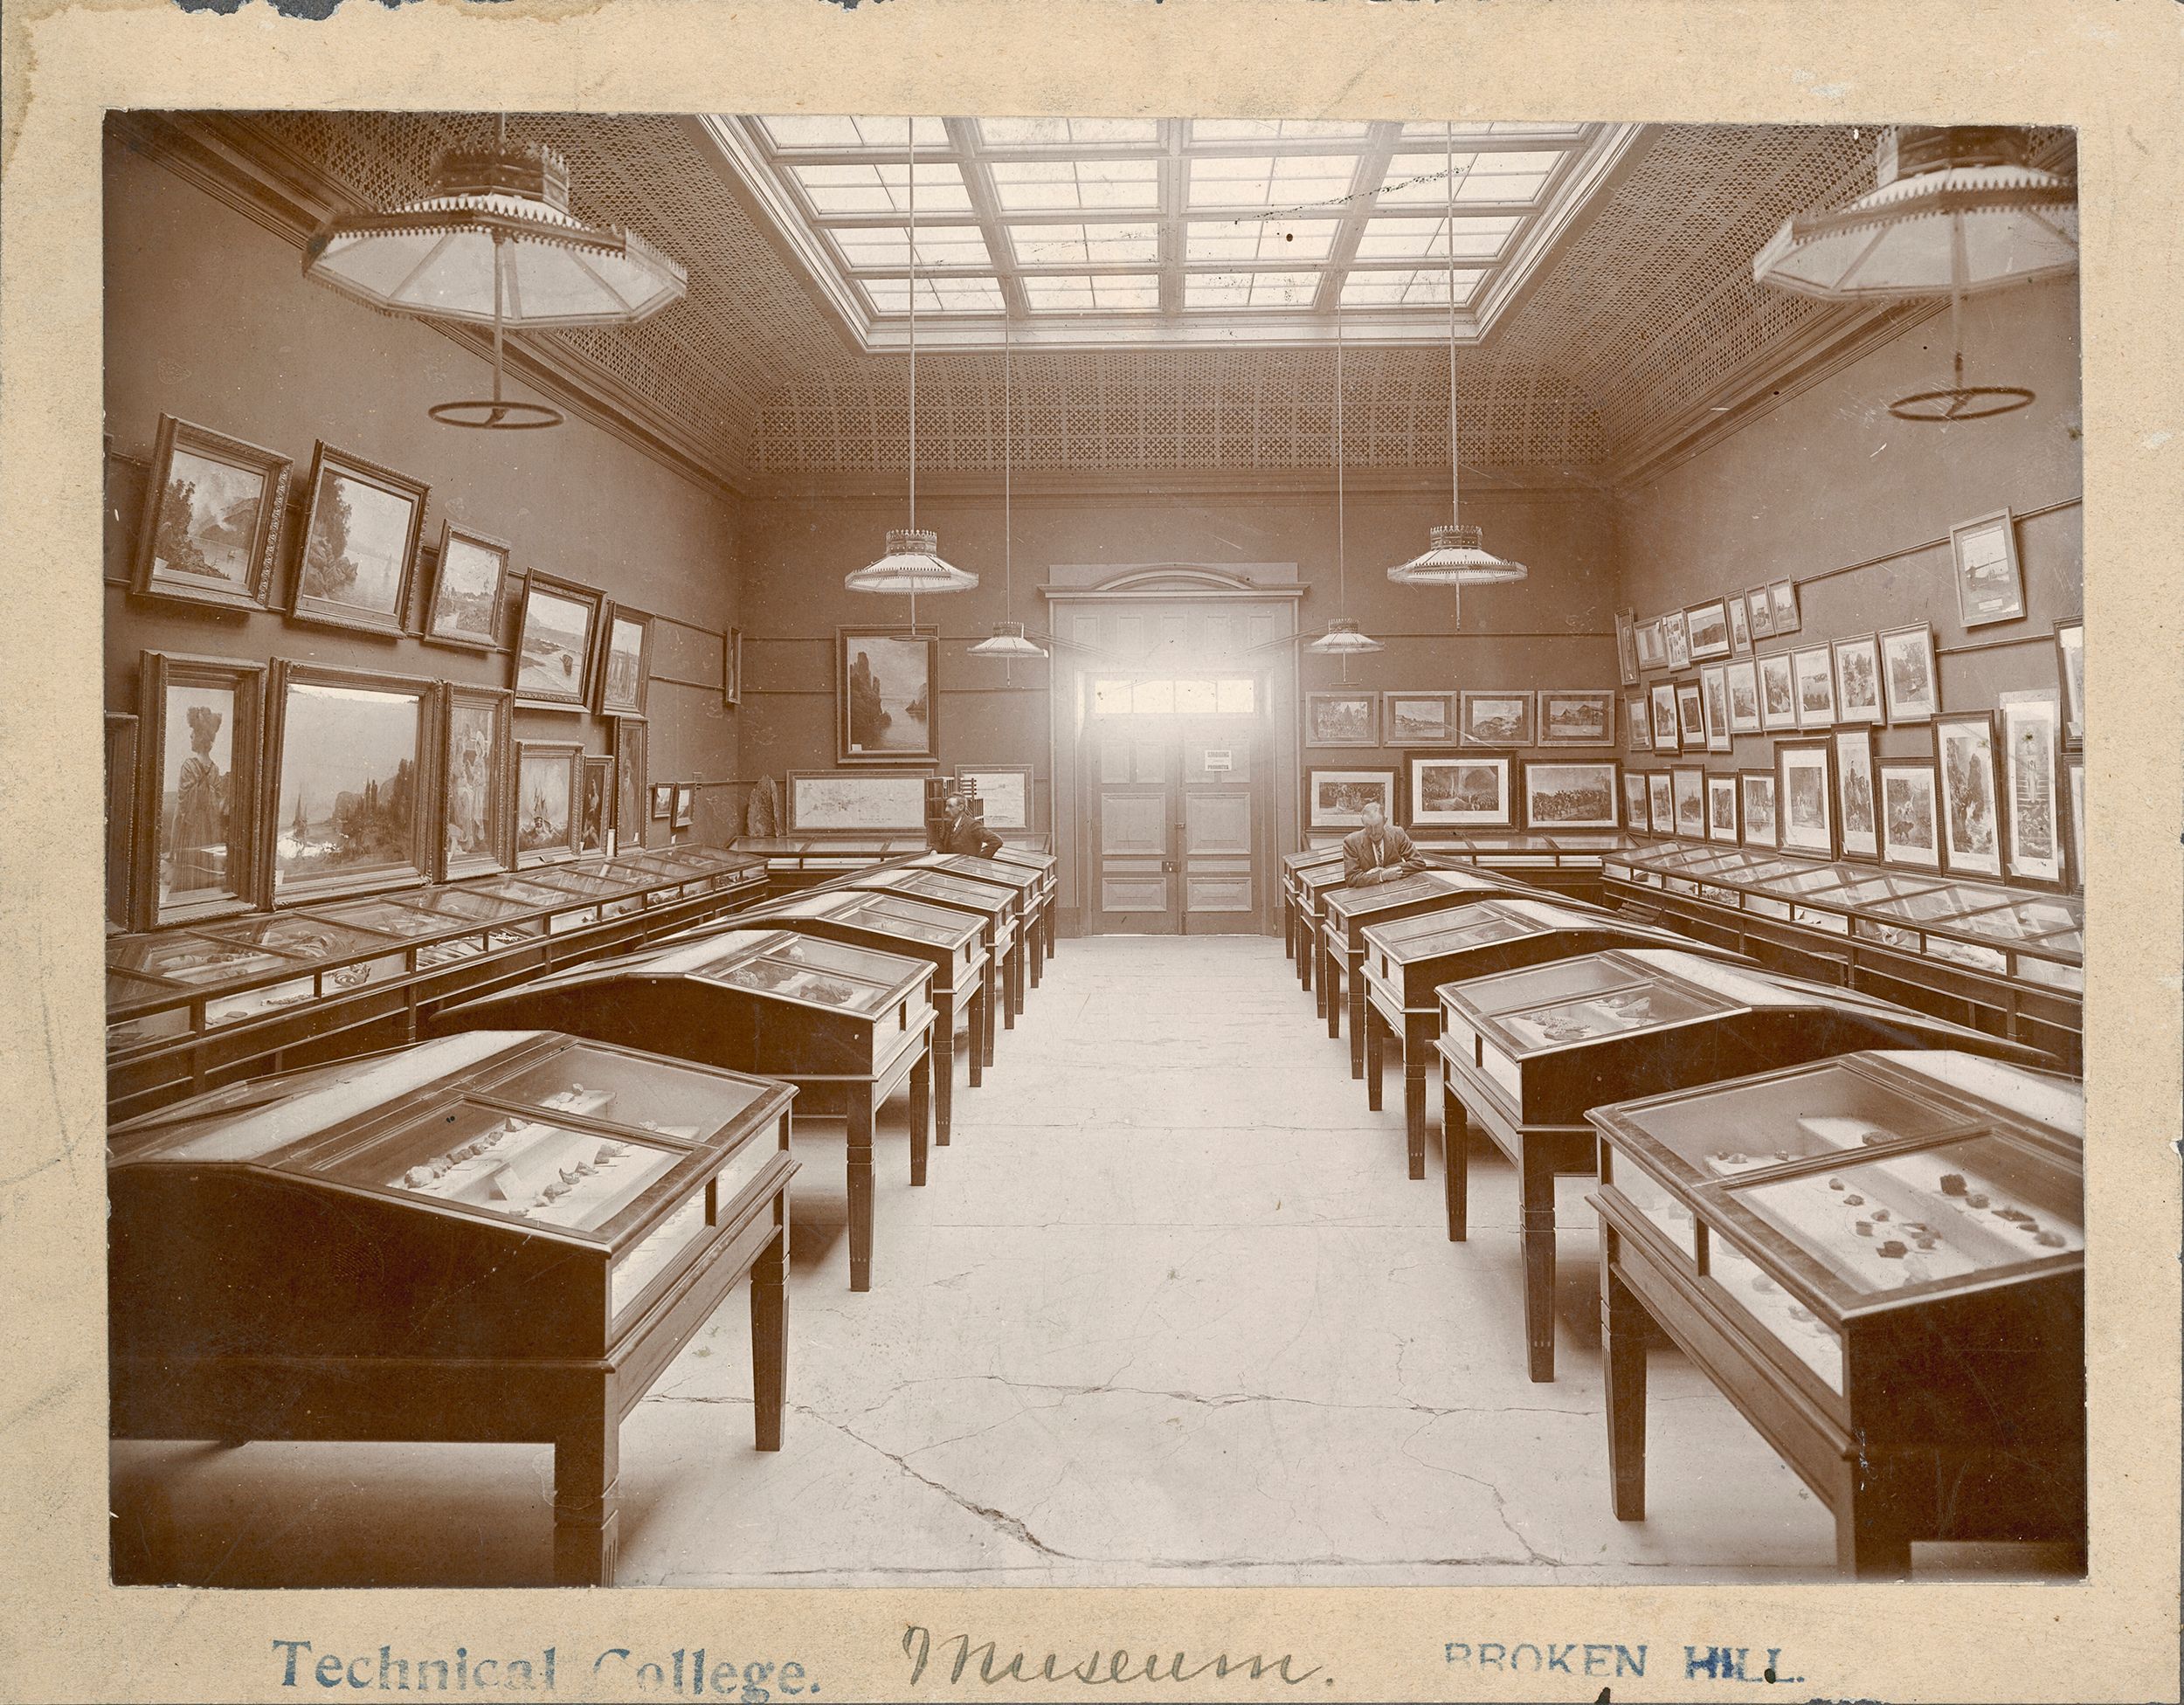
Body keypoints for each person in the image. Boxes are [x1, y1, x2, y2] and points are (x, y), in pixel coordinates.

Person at [1341, 799, 1423, 887]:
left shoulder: (1398, 834)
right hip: (1367, 896)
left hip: (1395, 892)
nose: (1373, 832)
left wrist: (1386, 871)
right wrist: (1381, 876)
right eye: (1368, 827)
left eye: (1377, 826)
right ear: (1362, 822)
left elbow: (1419, 863)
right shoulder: (1351, 842)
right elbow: (1351, 879)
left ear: (1385, 821)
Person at [942, 795, 1002, 859]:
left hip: (966, 868)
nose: (946, 810)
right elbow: (941, 842)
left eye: (950, 806)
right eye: (946, 806)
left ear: (961, 807)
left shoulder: (972, 825)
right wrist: (934, 850)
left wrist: (980, 859)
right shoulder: (949, 825)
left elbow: (996, 841)